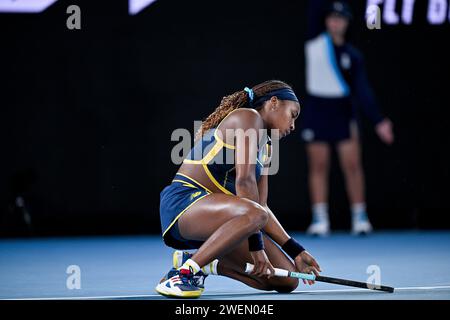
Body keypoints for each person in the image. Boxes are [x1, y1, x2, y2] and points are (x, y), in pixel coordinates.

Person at [156, 80, 321, 298]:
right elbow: (245, 184)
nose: (293, 125)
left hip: (223, 218)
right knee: (255, 216)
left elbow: (262, 206)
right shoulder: (248, 117)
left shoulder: (268, 148)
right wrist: (257, 247)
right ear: (274, 103)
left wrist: (296, 250)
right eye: (293, 114)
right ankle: (184, 275)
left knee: (287, 279)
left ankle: (204, 263)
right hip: (183, 205)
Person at [302, 1, 394, 236]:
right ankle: (320, 219)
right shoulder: (315, 41)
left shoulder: (353, 56)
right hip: (317, 109)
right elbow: (314, 8)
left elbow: (363, 91)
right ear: (325, 20)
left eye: (340, 18)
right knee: (318, 166)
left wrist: (378, 120)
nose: (335, 22)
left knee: (352, 166)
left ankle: (359, 217)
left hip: (343, 111)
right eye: (331, 17)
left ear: (347, 23)